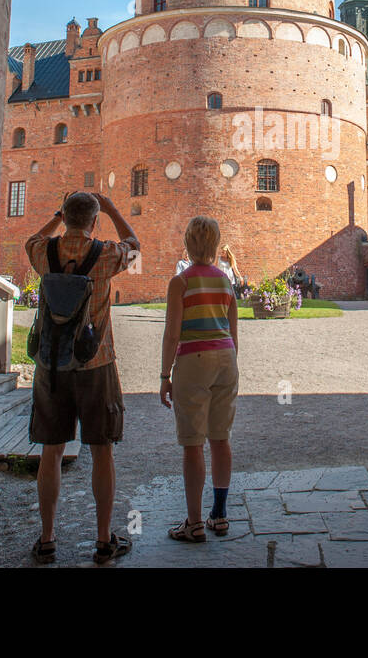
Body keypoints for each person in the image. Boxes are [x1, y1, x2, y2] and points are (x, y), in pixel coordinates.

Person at [25, 191, 140, 565]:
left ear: (65, 216)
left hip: (52, 367)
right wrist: (113, 209)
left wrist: (58, 217)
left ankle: (46, 539)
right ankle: (104, 540)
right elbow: (134, 246)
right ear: (93, 221)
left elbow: (32, 240)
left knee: (51, 450)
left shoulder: (45, 253)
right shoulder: (105, 255)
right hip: (96, 364)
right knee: (102, 451)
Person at [159, 216, 239, 542]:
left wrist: (165, 375)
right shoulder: (225, 281)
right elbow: (234, 333)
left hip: (193, 361)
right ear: (216, 244)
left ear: (187, 244)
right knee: (220, 439)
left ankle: (193, 523)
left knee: (193, 444)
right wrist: (231, 364)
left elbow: (171, 334)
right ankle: (219, 515)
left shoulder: (181, 282)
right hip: (226, 359)